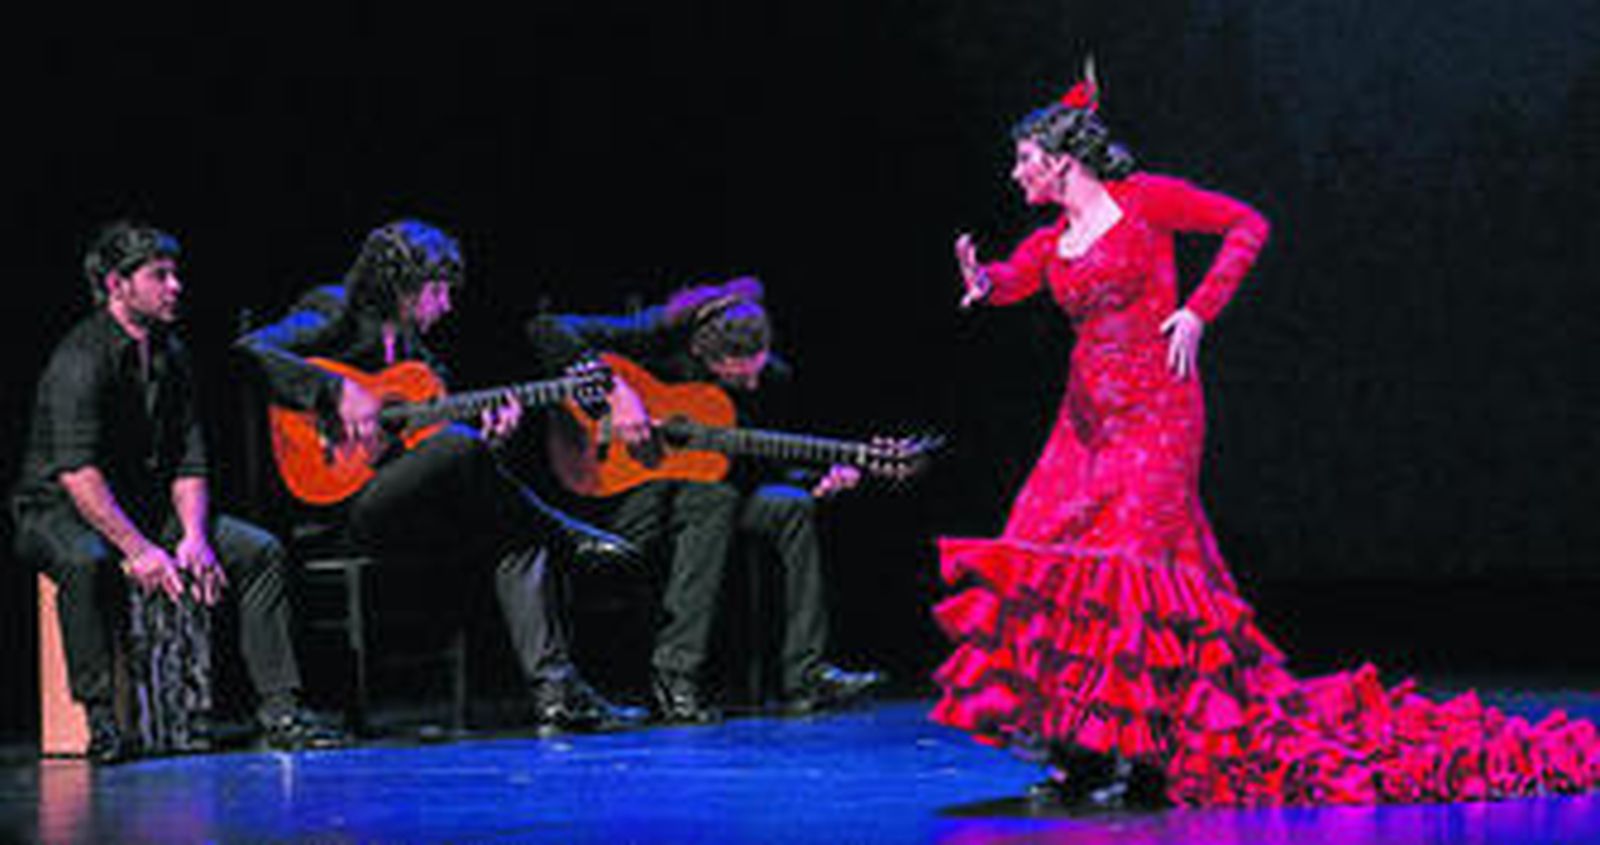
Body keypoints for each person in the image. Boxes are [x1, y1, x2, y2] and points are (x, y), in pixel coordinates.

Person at [933, 67, 1599, 808]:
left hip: (1159, 413)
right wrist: (983, 282)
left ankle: (1136, 747)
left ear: (1061, 159)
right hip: (1085, 422)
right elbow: (1016, 277)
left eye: (1024, 158)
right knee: (1048, 549)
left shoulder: (1146, 201)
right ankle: (1097, 741)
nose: (1015, 172)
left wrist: (1196, 311)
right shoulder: (1053, 239)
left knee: (1135, 570)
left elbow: (1247, 223)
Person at [236, 219, 642, 734]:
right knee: (468, 455)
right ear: (401, 285)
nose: (447, 305)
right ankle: (565, 532)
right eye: (438, 291)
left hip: (405, 506)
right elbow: (251, 350)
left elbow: (441, 444)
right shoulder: (330, 310)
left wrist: (492, 440)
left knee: (512, 529)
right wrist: (334, 388)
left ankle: (558, 694)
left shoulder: (415, 351)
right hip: (338, 504)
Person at [12, 221, 343, 763]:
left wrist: (192, 536)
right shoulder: (81, 358)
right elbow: (77, 473)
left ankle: (280, 709)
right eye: (159, 276)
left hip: (141, 503)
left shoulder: (172, 353)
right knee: (86, 559)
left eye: (175, 274)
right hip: (59, 508)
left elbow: (189, 460)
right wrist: (138, 548)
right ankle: (102, 722)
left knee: (258, 550)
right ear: (118, 285)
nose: (175, 287)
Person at [526, 277, 884, 723]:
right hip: (621, 491)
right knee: (712, 497)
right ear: (702, 353)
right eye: (740, 372)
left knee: (790, 504)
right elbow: (546, 328)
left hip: (712, 496)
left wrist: (818, 478)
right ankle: (674, 677)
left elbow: (757, 464)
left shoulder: (770, 378)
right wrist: (620, 393)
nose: (753, 382)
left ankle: (805, 674)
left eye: (757, 367)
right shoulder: (656, 332)